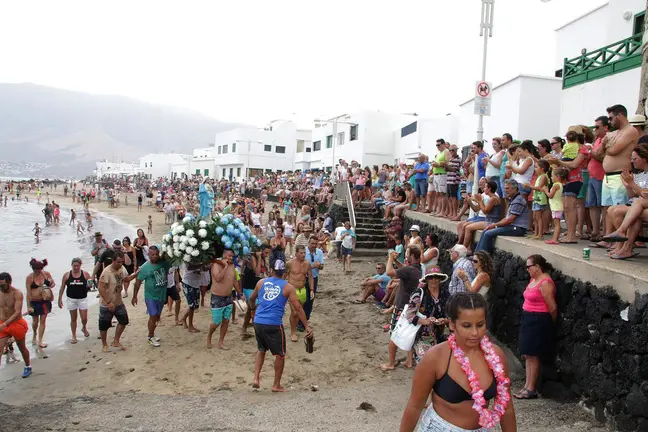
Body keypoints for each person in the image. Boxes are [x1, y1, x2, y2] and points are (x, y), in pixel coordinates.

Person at [399, 292, 516, 432]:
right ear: (452, 324)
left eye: (480, 325)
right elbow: (415, 406)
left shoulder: (496, 356)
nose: (475, 333)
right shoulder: (436, 358)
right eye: (466, 326)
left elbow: (506, 407)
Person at [249, 259, 313, 392]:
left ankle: (256, 378)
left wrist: (253, 311)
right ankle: (276, 384)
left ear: (272, 271)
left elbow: (252, 298)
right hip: (273, 323)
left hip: (259, 321)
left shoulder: (261, 282)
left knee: (261, 350)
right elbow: (298, 308)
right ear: (284, 273)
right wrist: (306, 326)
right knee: (280, 354)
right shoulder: (288, 287)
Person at [514, 255, 557, 400]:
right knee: (527, 353)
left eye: (529, 267)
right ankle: (527, 385)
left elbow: (552, 307)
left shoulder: (545, 283)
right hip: (528, 317)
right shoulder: (534, 280)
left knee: (533, 354)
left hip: (538, 319)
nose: (527, 270)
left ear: (537, 267)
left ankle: (531, 387)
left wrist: (550, 322)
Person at [380, 245, 423, 371]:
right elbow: (405, 269)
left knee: (394, 334)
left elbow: (389, 272)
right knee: (409, 334)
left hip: (402, 307)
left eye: (407, 253)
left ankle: (391, 363)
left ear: (412, 256)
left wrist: (390, 258)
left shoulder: (409, 270)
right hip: (410, 306)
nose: (405, 254)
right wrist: (396, 261)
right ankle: (409, 361)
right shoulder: (417, 269)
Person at [474, 179, 529, 253]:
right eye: (505, 188)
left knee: (488, 233)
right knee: (486, 231)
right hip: (512, 226)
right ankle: (478, 254)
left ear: (515, 189)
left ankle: (482, 257)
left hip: (518, 228)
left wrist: (495, 225)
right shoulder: (513, 199)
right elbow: (506, 218)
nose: (505, 190)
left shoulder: (518, 200)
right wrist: (495, 225)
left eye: (507, 188)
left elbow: (510, 220)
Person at [411, 267, 450, 364]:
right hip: (422, 336)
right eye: (431, 277)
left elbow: (452, 313)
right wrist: (425, 321)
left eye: (436, 277)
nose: (434, 280)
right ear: (426, 279)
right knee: (425, 363)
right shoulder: (419, 293)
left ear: (440, 279)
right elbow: (409, 315)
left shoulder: (445, 293)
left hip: (440, 335)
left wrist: (445, 320)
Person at [98, 251, 136, 352]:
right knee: (104, 324)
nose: (120, 264)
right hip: (106, 303)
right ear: (113, 261)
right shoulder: (107, 272)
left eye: (122, 262)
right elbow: (100, 287)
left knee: (124, 321)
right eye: (118, 262)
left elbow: (126, 279)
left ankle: (116, 341)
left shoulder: (122, 268)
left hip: (118, 301)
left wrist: (136, 274)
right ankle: (104, 344)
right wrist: (108, 302)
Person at [0, 272, 32, 378]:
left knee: (21, 347)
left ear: (9, 282)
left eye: (3, 285)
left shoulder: (17, 293)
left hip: (16, 323)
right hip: (2, 323)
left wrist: (5, 324)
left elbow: (17, 312)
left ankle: (28, 366)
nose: (1, 288)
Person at [207, 249, 237, 350]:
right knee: (216, 322)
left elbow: (234, 280)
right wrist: (225, 266)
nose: (231, 258)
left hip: (228, 297)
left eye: (232, 256)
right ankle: (209, 337)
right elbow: (218, 278)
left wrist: (240, 293)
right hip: (217, 297)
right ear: (224, 256)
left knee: (226, 320)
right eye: (229, 256)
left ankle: (221, 341)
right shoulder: (216, 265)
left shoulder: (232, 265)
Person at [58, 258, 92, 343]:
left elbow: (91, 285)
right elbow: (62, 287)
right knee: (73, 318)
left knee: (84, 318)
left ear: (80, 265)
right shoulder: (67, 275)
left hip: (82, 299)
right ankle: (74, 335)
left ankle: (84, 327)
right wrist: (59, 299)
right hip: (71, 299)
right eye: (74, 266)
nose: (76, 268)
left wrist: (89, 285)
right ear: (71, 265)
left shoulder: (85, 274)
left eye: (78, 266)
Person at [285, 245, 314, 342]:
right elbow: (283, 276)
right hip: (292, 289)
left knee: (298, 312)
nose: (303, 255)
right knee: (294, 312)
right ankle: (293, 332)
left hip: (303, 289)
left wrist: (312, 289)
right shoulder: (290, 263)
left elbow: (310, 277)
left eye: (304, 253)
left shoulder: (307, 264)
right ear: (296, 253)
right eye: (301, 253)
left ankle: (295, 328)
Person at [26, 258, 55, 348]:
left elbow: (53, 283)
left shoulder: (46, 274)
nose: (37, 271)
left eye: (39, 269)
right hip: (34, 301)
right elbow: (28, 293)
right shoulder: (29, 277)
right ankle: (34, 334)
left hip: (45, 301)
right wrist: (28, 306)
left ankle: (40, 340)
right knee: (35, 321)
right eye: (35, 270)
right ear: (33, 269)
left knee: (43, 320)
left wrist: (48, 285)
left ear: (41, 268)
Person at [543, 167, 567, 245]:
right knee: (556, 223)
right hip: (556, 206)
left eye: (552, 176)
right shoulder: (560, 184)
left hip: (556, 206)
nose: (551, 177)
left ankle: (555, 239)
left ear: (558, 177)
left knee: (557, 224)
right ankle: (554, 238)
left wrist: (545, 190)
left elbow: (550, 195)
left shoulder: (556, 185)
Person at [304, 235, 324, 326]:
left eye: (316, 244)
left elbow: (322, 266)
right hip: (303, 279)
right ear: (309, 243)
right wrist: (313, 266)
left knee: (311, 300)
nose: (314, 245)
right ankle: (301, 322)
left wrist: (319, 266)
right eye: (312, 243)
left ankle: (306, 319)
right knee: (305, 300)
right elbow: (301, 267)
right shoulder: (303, 252)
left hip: (315, 278)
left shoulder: (319, 252)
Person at [179, 263, 203, 332]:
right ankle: (190, 326)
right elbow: (189, 267)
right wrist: (204, 263)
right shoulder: (188, 257)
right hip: (188, 283)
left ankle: (184, 318)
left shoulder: (201, 258)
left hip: (196, 283)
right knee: (192, 305)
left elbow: (203, 269)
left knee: (195, 305)